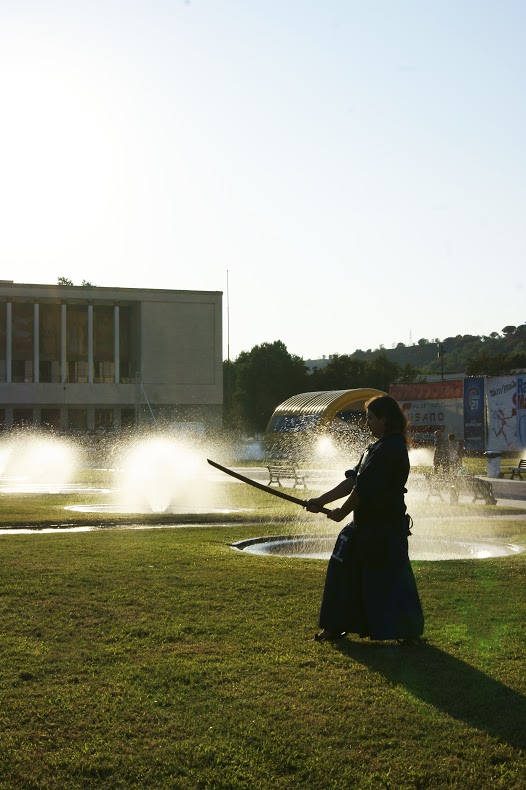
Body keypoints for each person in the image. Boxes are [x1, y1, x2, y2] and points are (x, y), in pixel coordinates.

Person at [306, 395, 424, 644]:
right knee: (343, 572)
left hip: (384, 529)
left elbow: (364, 490)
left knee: (391, 579)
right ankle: (335, 626)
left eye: (371, 418)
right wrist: (321, 501)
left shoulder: (391, 449)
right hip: (364, 527)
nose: (367, 423)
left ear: (385, 419)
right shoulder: (374, 448)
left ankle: (407, 631)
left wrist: (341, 512)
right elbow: (352, 481)